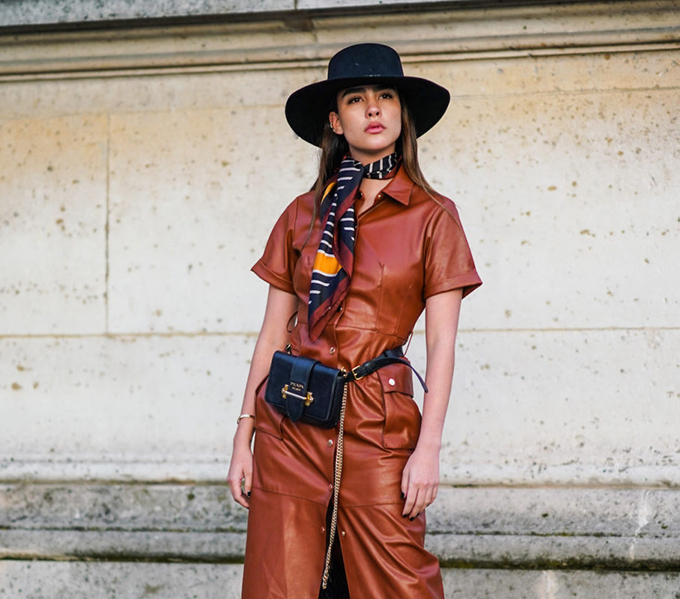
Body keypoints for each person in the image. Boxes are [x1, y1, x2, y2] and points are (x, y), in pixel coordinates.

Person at [227, 43, 482, 599]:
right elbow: (273, 334)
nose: (373, 108)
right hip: (291, 421)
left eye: (386, 96)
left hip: (377, 424)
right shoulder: (302, 212)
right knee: (282, 584)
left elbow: (442, 344)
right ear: (334, 120)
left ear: (401, 114)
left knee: (397, 586)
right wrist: (244, 432)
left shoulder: (433, 216)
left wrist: (429, 449)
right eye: (356, 98)